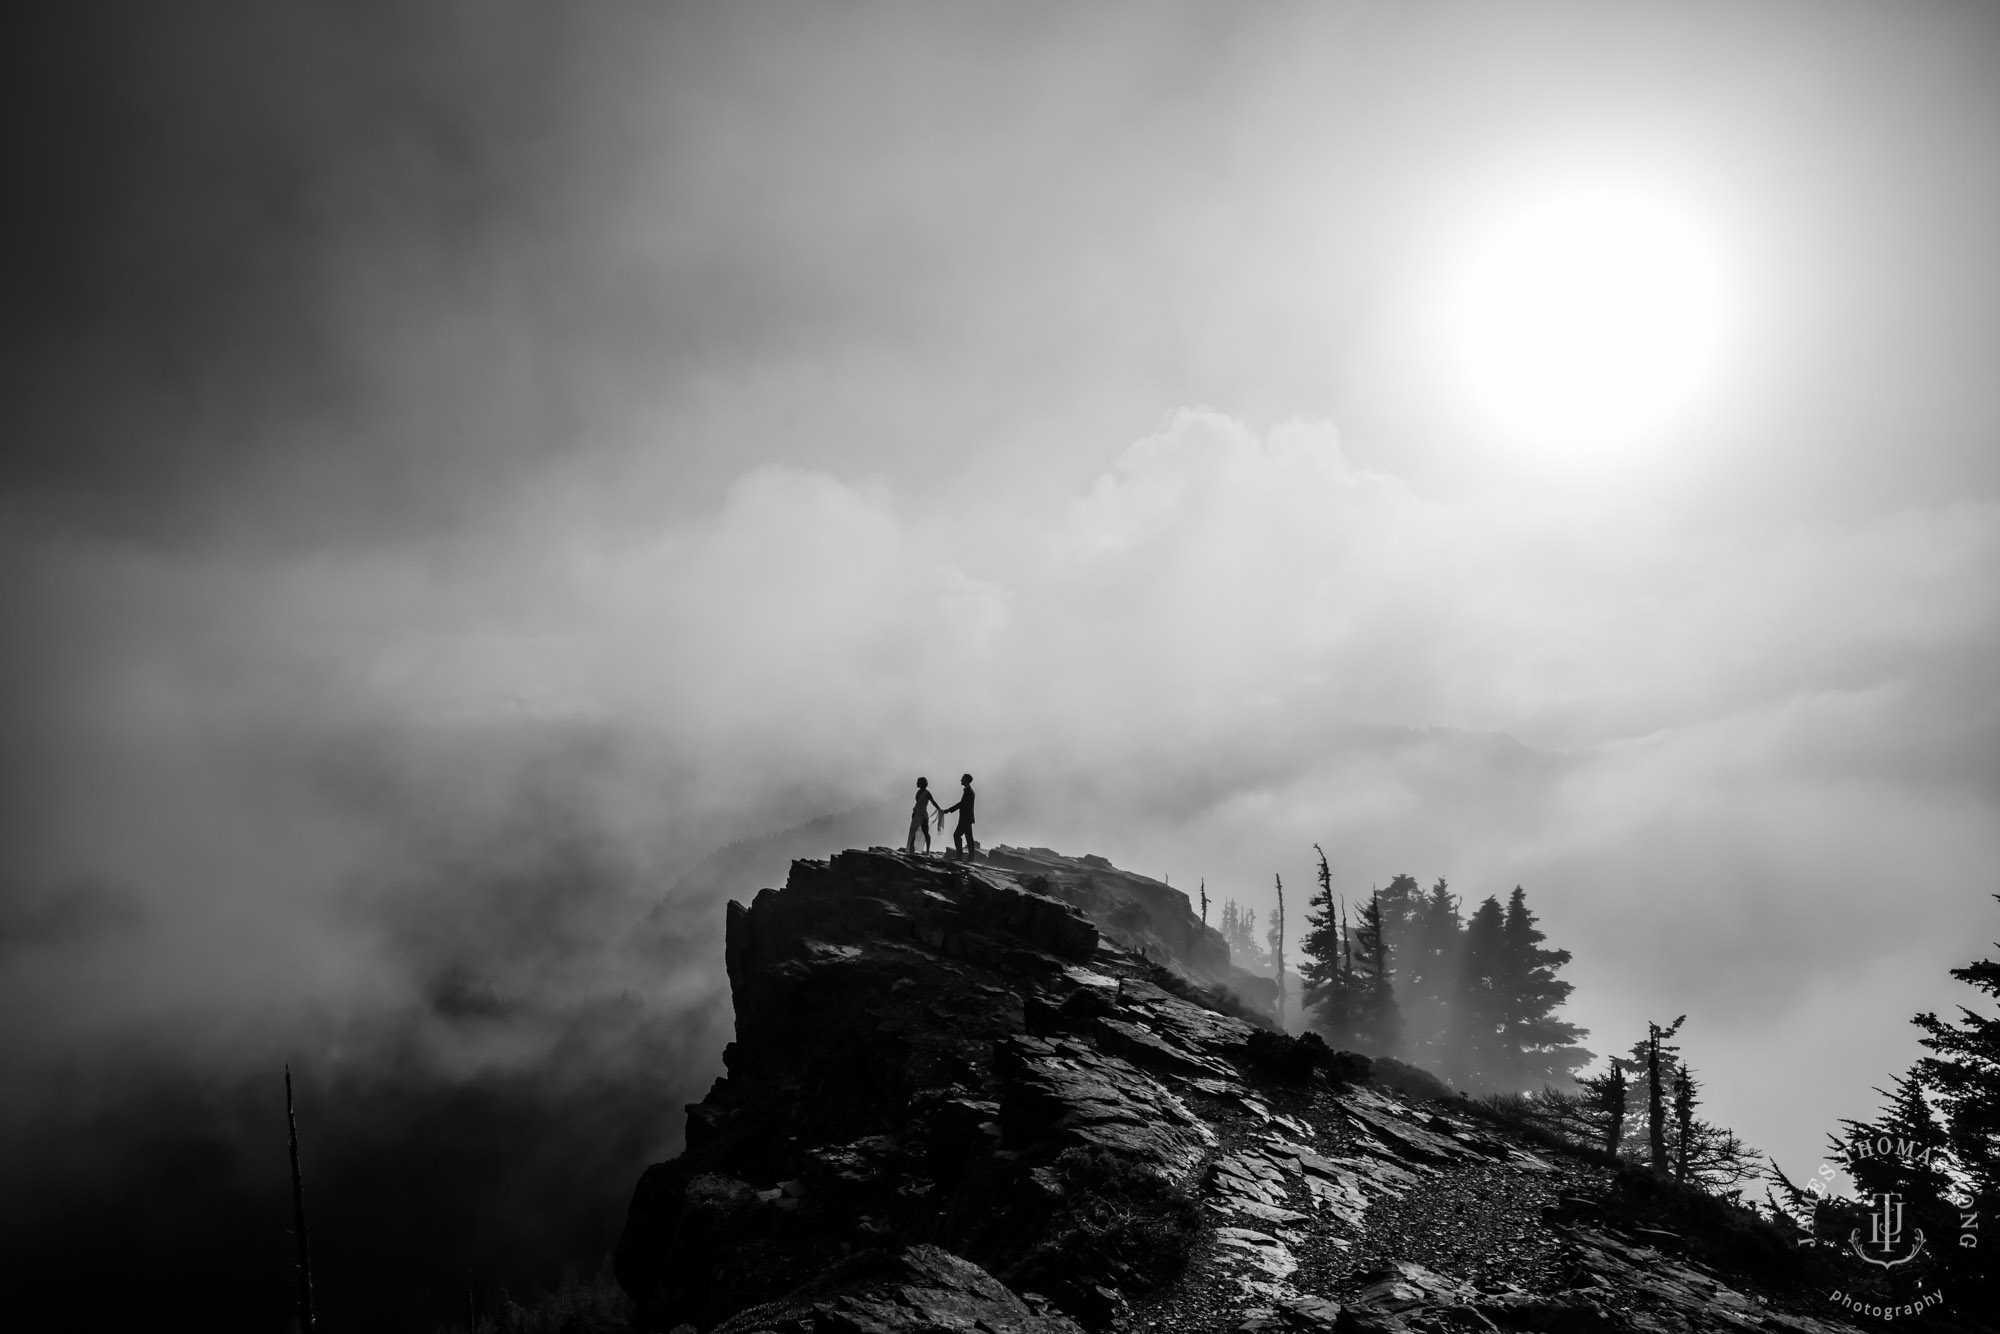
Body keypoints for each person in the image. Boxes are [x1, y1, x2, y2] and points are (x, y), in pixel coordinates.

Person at [940, 773, 976, 858]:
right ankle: (969, 857)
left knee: (957, 835)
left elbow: (961, 804)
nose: (961, 780)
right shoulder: (969, 791)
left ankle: (960, 855)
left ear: (966, 780)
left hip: (965, 819)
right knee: (968, 838)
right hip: (967, 818)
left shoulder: (969, 792)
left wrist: (948, 810)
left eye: (962, 779)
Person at [906, 777, 944, 855]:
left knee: (924, 832)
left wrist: (939, 809)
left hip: (922, 814)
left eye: (918, 782)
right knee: (915, 831)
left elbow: (933, 802)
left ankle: (927, 850)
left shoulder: (927, 793)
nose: (916, 783)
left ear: (921, 783)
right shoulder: (919, 791)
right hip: (917, 813)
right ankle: (912, 849)